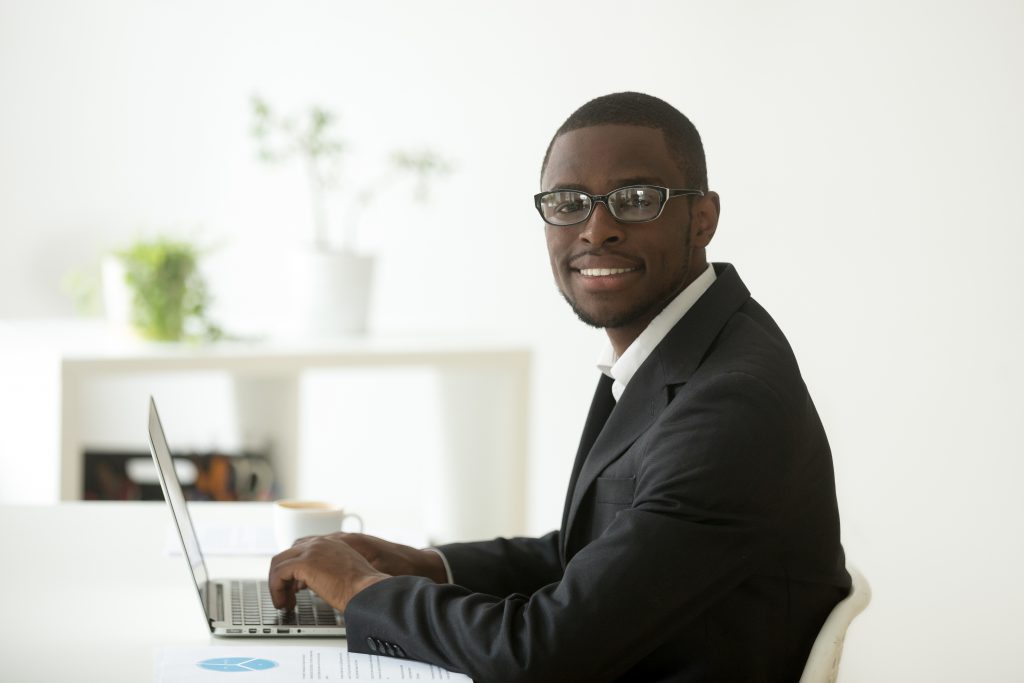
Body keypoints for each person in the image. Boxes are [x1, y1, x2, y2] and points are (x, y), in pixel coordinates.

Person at [268, 92, 850, 682]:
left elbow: (541, 652)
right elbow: (588, 558)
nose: (598, 230)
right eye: (569, 203)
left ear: (703, 218)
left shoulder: (731, 404)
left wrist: (361, 589)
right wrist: (428, 565)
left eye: (637, 200)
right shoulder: (679, 352)